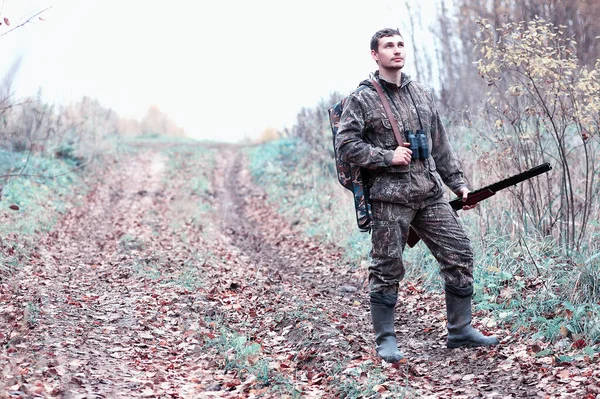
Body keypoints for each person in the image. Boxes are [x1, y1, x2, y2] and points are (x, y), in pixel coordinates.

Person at [335, 28, 499, 363]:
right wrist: (386, 156)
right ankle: (386, 340)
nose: (396, 51)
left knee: (459, 252)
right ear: (374, 55)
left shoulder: (421, 93)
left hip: (429, 194)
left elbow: (440, 145)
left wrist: (460, 186)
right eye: (388, 46)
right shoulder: (362, 98)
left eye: (399, 45)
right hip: (388, 198)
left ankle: (460, 330)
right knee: (387, 266)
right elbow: (346, 144)